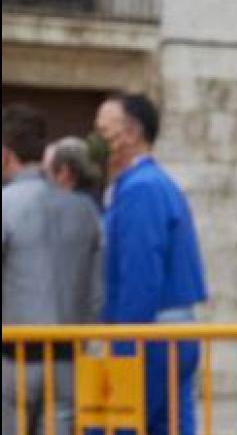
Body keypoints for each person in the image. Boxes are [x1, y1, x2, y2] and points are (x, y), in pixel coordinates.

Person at [95, 93, 207, 435]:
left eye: (103, 131)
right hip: (170, 333)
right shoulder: (154, 183)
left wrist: (125, 344)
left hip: (151, 335)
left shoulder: (140, 189)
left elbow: (140, 274)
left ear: (130, 133)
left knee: (120, 425)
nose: (96, 140)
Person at [2, 104, 102, 435]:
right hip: (69, 356)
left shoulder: (6, 205)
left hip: (13, 356)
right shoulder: (83, 210)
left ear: (5, 155)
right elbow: (97, 291)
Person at [44, 136, 106, 208]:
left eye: (54, 170)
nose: (48, 178)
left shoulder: (72, 205)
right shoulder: (94, 198)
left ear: (65, 171)